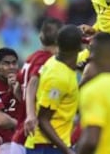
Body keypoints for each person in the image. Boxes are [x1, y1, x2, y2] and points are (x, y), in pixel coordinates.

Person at [25, 25, 82, 154]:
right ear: (78, 47)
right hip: (46, 147)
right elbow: (43, 120)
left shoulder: (53, 61)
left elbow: (33, 80)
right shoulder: (58, 78)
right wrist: (67, 150)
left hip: (51, 145)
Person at [11, 18, 63, 153]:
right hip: (31, 136)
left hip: (19, 136)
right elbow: (33, 82)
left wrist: (26, 105)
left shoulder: (31, 57)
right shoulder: (47, 61)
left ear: (40, 37)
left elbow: (17, 89)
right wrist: (31, 114)